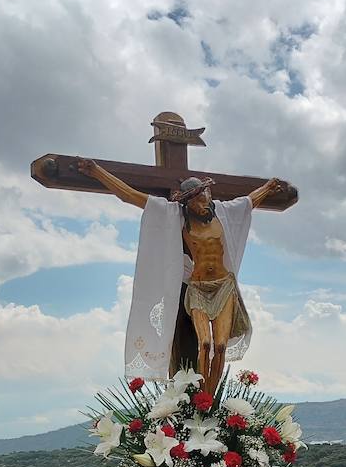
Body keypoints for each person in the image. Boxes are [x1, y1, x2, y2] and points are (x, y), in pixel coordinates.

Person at [79, 156, 290, 391]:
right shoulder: (174, 217)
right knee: (206, 344)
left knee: (220, 346)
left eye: (205, 197)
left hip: (223, 286)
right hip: (198, 287)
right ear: (187, 203)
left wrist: (269, 187)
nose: (203, 204)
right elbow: (129, 195)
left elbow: (250, 201)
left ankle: (208, 397)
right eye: (197, 201)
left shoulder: (223, 212)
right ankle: (201, 394)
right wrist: (98, 172)